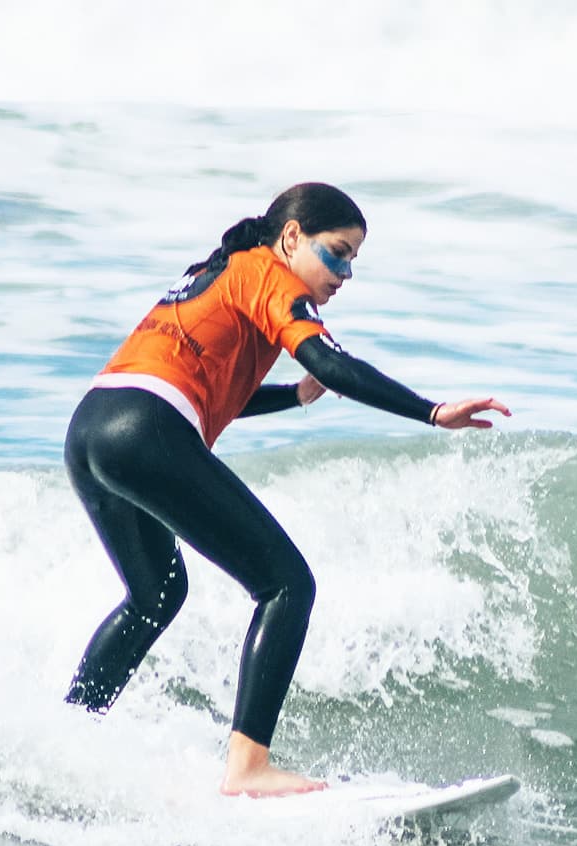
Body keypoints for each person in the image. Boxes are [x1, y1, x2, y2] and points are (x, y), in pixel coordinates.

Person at [63, 182, 511, 797]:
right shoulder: (274, 277)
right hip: (147, 428)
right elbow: (331, 362)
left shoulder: (218, 274)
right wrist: (432, 412)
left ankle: (66, 738)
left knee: (156, 595)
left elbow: (207, 385)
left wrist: (294, 397)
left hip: (92, 429)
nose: (346, 272)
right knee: (286, 584)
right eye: (339, 252)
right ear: (293, 237)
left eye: (354, 259)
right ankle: (248, 768)